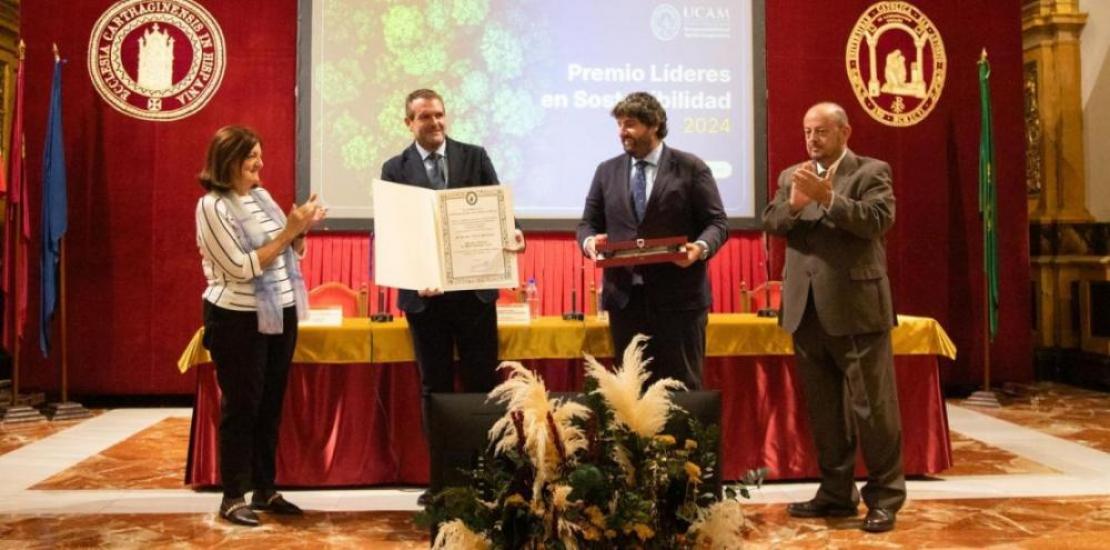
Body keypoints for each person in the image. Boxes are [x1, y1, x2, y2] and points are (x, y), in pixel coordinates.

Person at [762, 102, 904, 533]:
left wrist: (828, 198)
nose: (812, 139)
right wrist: (794, 205)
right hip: (805, 311)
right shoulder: (792, 176)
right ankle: (837, 493)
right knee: (825, 412)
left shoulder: (870, 172)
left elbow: (878, 221)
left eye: (821, 131)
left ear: (845, 132)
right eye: (807, 131)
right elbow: (772, 221)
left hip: (857, 309)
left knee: (873, 409)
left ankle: (885, 497)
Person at [380, 89, 523, 489]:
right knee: (435, 389)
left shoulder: (474, 157)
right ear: (409, 123)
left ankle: (487, 477)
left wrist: (515, 233)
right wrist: (415, 275)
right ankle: (442, 482)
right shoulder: (394, 168)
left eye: (439, 115)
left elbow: (500, 212)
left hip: (474, 297)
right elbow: (392, 233)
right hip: (425, 301)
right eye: (425, 117)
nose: (435, 123)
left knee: (482, 387)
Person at [195, 125, 325, 526]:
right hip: (238, 319)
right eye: (251, 156)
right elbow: (241, 268)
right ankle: (233, 496)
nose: (260, 163)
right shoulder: (212, 207)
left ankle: (265, 488)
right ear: (229, 160)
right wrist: (289, 231)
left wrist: (301, 231)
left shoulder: (262, 197)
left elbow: (289, 253)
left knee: (270, 406)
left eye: (259, 154)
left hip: (281, 312)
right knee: (242, 407)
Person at [577, 91, 728, 389]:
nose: (622, 132)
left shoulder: (691, 167)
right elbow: (587, 224)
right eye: (619, 124)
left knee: (682, 392)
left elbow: (717, 223)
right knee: (631, 394)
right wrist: (590, 241)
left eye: (630, 124)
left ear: (654, 124)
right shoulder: (606, 171)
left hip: (680, 302)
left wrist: (699, 249)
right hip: (625, 302)